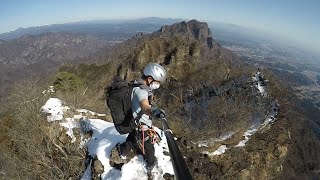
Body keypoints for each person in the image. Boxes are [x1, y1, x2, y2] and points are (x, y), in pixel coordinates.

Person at [111, 63, 167, 174]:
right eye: (157, 82)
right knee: (149, 147)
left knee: (132, 138)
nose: (157, 85)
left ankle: (122, 151)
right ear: (150, 79)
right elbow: (144, 106)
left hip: (135, 121)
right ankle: (151, 164)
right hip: (142, 125)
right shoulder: (141, 91)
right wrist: (154, 111)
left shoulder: (138, 84)